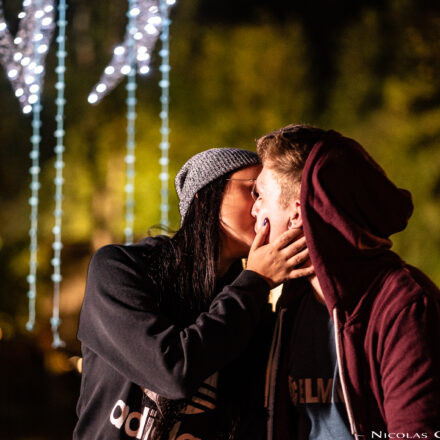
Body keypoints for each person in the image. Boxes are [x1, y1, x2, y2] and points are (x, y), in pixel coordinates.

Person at [74, 147, 313, 440]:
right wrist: (256, 280)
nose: (260, 208)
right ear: (205, 197)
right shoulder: (119, 269)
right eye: (254, 191)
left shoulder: (250, 299)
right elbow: (170, 371)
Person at [250, 125, 440, 440]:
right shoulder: (292, 306)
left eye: (262, 195)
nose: (255, 208)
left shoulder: (401, 304)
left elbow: (417, 431)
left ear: (298, 214)